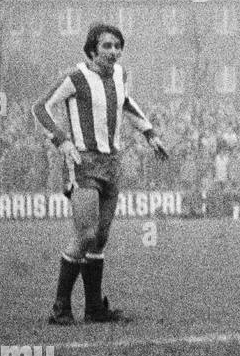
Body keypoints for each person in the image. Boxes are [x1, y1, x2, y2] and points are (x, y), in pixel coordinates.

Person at [32, 23, 169, 324]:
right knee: (85, 235)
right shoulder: (76, 77)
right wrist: (62, 140)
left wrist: (150, 134)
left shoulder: (120, 75)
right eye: (107, 46)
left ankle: (94, 308)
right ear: (93, 49)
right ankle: (60, 307)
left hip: (112, 163)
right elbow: (40, 107)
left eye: (117, 46)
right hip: (83, 162)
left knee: (101, 237)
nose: (114, 51)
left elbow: (126, 103)